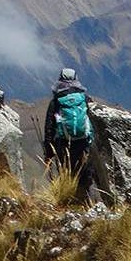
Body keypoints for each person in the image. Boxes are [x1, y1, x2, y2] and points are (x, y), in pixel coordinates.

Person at [42, 68, 94, 202]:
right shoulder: (85, 99)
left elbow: (49, 128)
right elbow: (93, 122)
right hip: (83, 143)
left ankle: (68, 201)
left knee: (66, 172)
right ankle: (85, 202)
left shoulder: (56, 101)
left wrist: (48, 153)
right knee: (83, 173)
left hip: (63, 143)